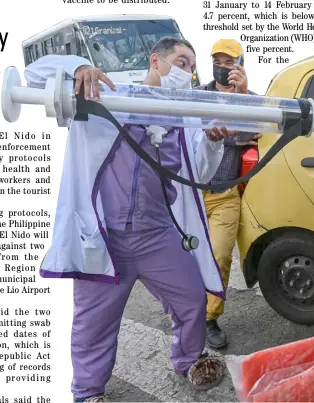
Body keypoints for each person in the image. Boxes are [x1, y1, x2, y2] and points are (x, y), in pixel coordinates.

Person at [24, 38, 234, 402]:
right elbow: (33, 73)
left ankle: (188, 361)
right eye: (181, 61)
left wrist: (213, 143)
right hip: (106, 237)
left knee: (191, 301)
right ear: (156, 60)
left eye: (191, 66)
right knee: (93, 324)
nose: (187, 71)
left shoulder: (180, 115)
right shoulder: (106, 94)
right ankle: (88, 392)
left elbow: (197, 171)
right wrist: (77, 67)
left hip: (157, 234)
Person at [195, 39, 261, 349]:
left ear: (241, 64)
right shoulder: (197, 96)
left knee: (220, 256)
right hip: (190, 194)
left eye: (229, 61)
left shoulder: (250, 98)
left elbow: (253, 131)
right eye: (217, 61)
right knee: (186, 259)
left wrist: (243, 96)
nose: (222, 67)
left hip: (224, 193)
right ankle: (186, 313)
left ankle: (209, 318)